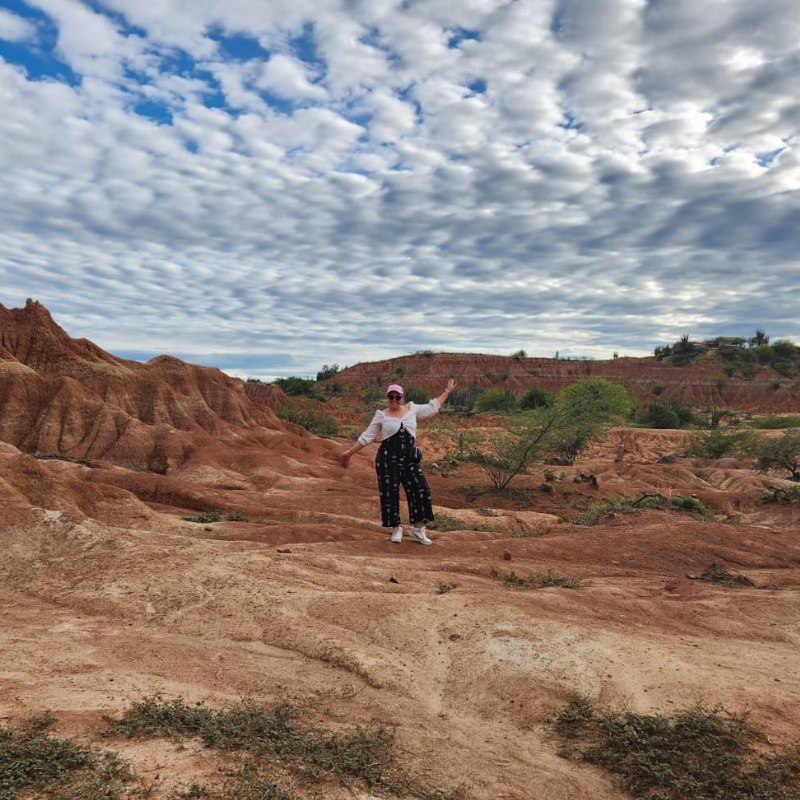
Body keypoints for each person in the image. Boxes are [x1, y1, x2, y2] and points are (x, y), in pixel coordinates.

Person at [339, 379, 457, 545]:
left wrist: (447, 392)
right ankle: (396, 528)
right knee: (389, 493)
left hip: (409, 458)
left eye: (397, 397)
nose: (394, 400)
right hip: (387, 459)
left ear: (402, 397)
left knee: (420, 489)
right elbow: (367, 437)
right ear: (387, 398)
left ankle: (418, 529)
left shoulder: (412, 409)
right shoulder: (381, 415)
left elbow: (432, 407)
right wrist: (349, 453)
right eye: (391, 397)